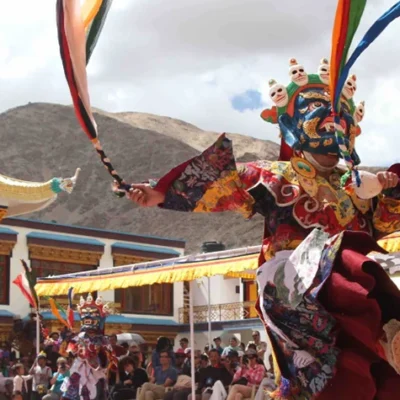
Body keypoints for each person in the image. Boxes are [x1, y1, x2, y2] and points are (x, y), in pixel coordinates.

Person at [119, 52, 400, 399]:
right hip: (295, 287)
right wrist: (158, 193)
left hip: (346, 289)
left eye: (338, 120)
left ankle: (385, 335)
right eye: (319, 118)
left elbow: (385, 224)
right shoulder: (277, 176)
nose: (332, 127)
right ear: (296, 125)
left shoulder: (357, 185)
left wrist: (390, 189)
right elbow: (226, 187)